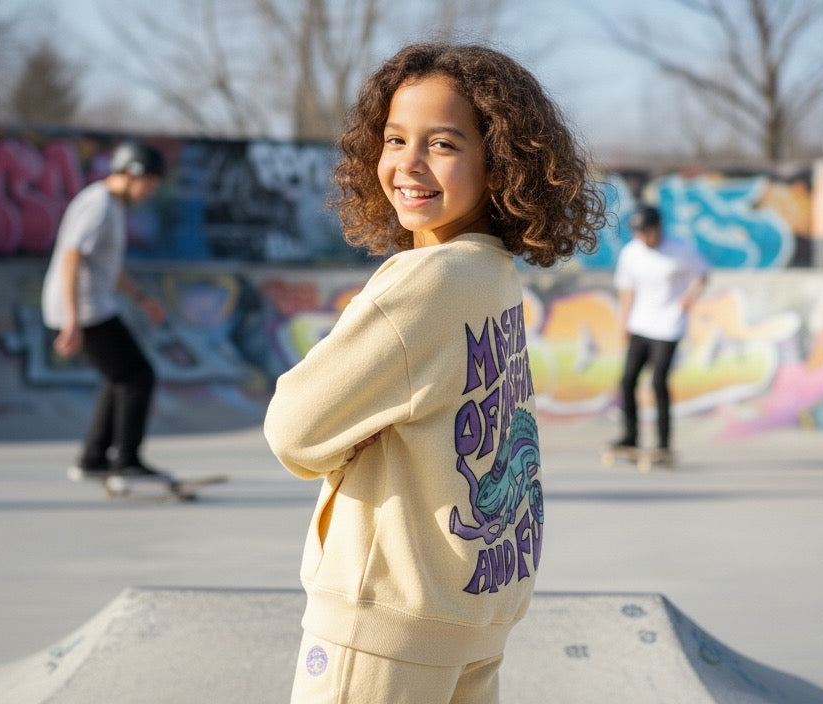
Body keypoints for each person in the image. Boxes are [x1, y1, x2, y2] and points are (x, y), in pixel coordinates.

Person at [264, 43, 607, 704]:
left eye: (443, 145)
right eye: (395, 139)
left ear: (499, 161)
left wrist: (344, 446)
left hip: (386, 625)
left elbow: (294, 428)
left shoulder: (425, 283)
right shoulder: (492, 273)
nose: (407, 165)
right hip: (473, 611)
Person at [41, 140, 168, 481]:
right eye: (149, 184)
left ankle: (94, 458)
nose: (150, 192)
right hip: (84, 310)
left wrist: (142, 298)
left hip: (90, 307)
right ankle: (125, 461)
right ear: (130, 174)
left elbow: (107, 268)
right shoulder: (98, 205)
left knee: (122, 376)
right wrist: (70, 319)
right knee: (138, 374)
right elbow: (71, 257)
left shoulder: (110, 205)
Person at [610, 205, 709, 468]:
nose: (644, 238)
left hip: (669, 326)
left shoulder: (679, 250)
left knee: (658, 382)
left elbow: (702, 274)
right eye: (639, 234)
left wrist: (689, 298)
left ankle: (663, 444)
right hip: (640, 324)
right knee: (628, 380)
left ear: (658, 228)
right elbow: (626, 290)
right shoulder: (631, 253)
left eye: (648, 233)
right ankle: (631, 437)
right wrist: (623, 323)